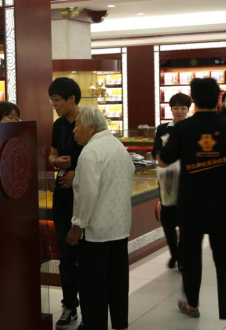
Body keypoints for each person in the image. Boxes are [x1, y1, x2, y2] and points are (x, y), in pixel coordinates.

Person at [158, 78, 226, 330]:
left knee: (191, 257)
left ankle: (192, 304)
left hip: (191, 204)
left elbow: (163, 161)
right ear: (219, 98)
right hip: (223, 203)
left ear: (193, 99)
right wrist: (224, 161)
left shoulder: (182, 128)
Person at [66, 105, 134, 330]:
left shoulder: (90, 152)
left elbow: (88, 194)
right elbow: (130, 172)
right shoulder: (117, 145)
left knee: (93, 287)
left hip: (95, 232)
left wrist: (77, 226)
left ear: (91, 128)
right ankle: (121, 325)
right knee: (118, 282)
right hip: (119, 227)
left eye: (77, 125)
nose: (74, 130)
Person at [47, 77, 83, 329]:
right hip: (62, 197)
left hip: (85, 197)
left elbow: (100, 160)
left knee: (87, 256)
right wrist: (55, 162)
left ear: (72, 98)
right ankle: (69, 305)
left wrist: (77, 174)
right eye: (51, 100)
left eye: (57, 100)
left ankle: (91, 307)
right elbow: (52, 154)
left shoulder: (89, 123)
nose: (54, 104)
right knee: (66, 255)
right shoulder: (58, 125)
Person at [151, 93, 192, 269]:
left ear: (188, 109)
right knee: (167, 221)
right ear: (170, 109)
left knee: (185, 221)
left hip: (187, 181)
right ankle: (175, 253)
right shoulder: (163, 129)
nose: (179, 111)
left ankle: (181, 257)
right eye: (176, 108)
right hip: (167, 180)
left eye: (183, 108)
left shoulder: (192, 128)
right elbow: (155, 152)